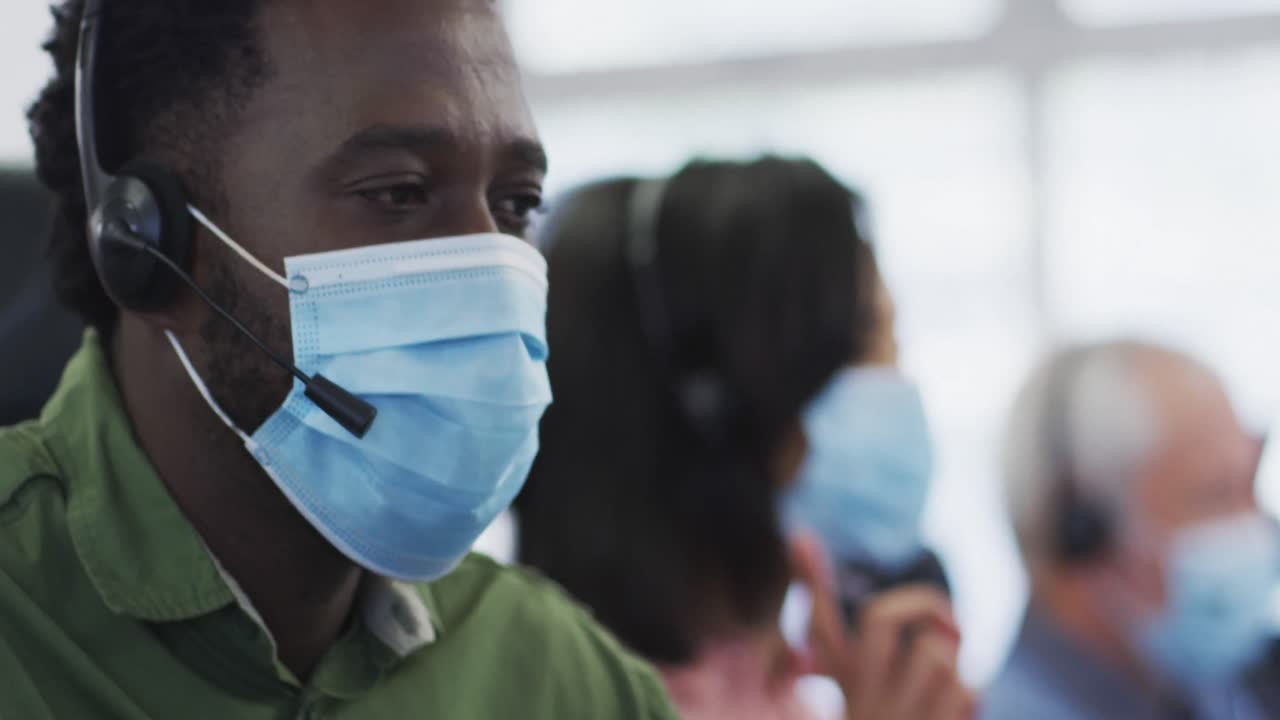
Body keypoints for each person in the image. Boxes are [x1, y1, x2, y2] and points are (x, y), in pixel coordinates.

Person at [0, 1, 677, 717]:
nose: (488, 265)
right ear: (147, 245)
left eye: (516, 204)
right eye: (399, 193)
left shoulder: (568, 682)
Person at [515, 157, 975, 720]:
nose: (895, 380)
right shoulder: (596, 701)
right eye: (867, 344)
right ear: (722, 413)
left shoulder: (772, 680)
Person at [984, 341, 1279, 720]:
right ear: (1083, 532)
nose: (1256, 527)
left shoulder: (1211, 691)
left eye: (1249, 487)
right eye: (1216, 495)